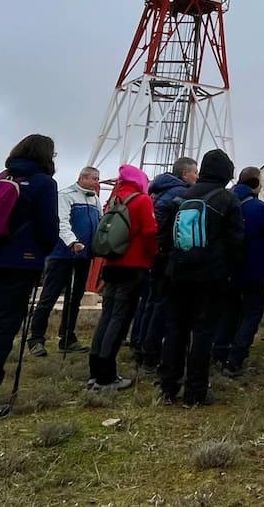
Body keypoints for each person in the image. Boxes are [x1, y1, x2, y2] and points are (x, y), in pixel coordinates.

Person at [156, 149, 244, 407]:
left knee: (175, 329)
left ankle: (168, 387)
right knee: (203, 332)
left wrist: (171, 262)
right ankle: (195, 392)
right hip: (211, 277)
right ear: (227, 173)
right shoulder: (228, 199)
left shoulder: (180, 196)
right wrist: (229, 272)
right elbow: (236, 241)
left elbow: (162, 237)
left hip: (177, 273)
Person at [0, 134, 59, 421]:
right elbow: (48, 228)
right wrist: (40, 252)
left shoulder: (0, 177)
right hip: (20, 262)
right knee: (3, 327)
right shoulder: (43, 183)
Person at [88, 164, 156, 390]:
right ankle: (106, 375)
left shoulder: (115, 199)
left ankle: (94, 369)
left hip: (111, 264)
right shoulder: (142, 200)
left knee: (107, 317)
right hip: (133, 265)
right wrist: (154, 255)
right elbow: (148, 232)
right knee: (120, 318)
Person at [132, 156, 198, 372]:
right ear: (185, 173)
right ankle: (150, 351)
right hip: (165, 254)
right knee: (161, 303)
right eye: (194, 172)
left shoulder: (157, 189)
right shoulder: (179, 194)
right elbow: (165, 226)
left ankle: (139, 343)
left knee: (150, 300)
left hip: (152, 254)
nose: (197, 177)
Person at [27, 166, 101, 356]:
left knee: (74, 298)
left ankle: (68, 337)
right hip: (63, 254)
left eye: (97, 179)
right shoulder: (66, 195)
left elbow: (99, 222)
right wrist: (72, 242)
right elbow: (61, 222)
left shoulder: (95, 200)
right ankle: (36, 338)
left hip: (84, 256)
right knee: (49, 296)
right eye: (94, 178)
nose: (97, 182)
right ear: (82, 178)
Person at [213, 167, 264, 376]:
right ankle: (236, 358)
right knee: (252, 313)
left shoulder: (224, 201)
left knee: (228, 311)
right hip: (253, 269)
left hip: (226, 267)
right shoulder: (259, 208)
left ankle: (219, 353)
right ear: (256, 184)